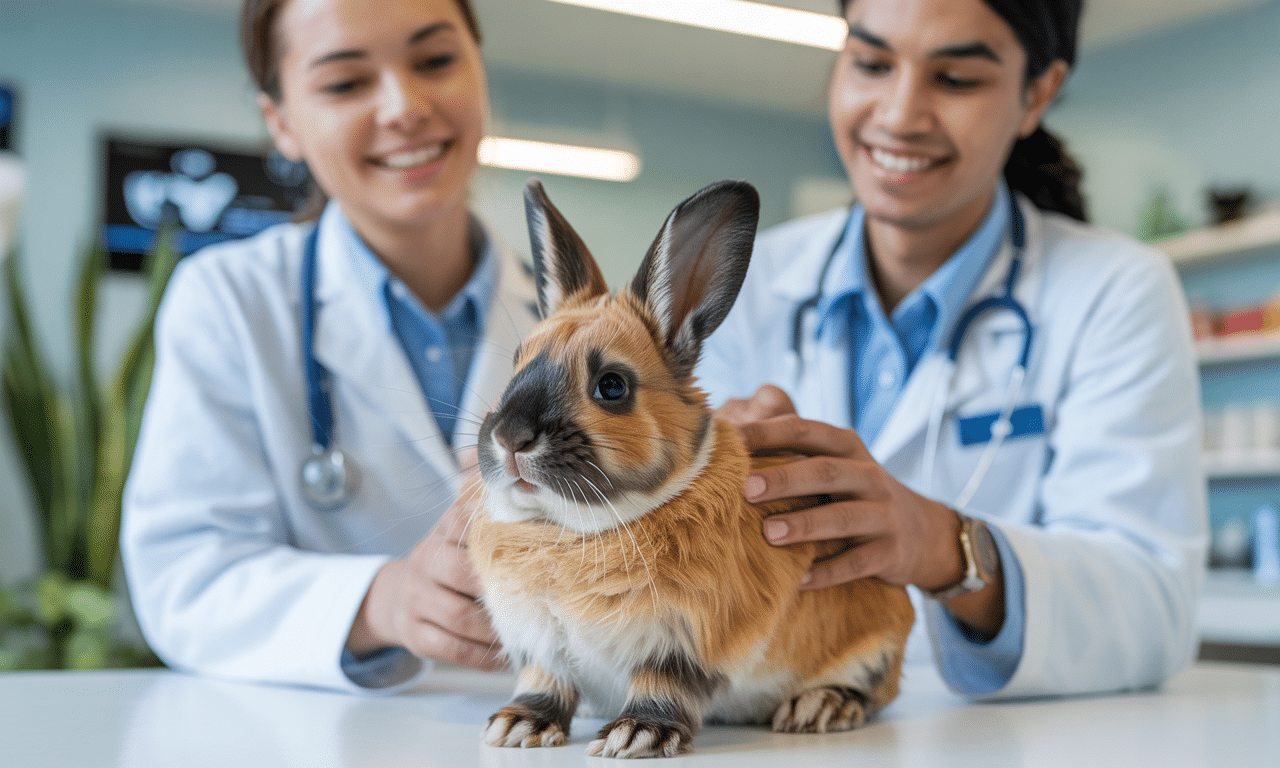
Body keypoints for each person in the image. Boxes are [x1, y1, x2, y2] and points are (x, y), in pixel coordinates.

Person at [699, 0, 1208, 699]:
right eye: (872, 63)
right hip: (776, 713)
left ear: (1038, 92)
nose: (901, 114)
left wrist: (942, 547)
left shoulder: (1115, 290)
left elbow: (1154, 609)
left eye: (957, 79)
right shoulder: (751, 280)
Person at [122, 0, 540, 693]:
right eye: (346, 83)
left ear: (479, 68)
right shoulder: (229, 300)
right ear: (281, 123)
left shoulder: (576, 321)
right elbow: (185, 581)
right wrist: (384, 601)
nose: (405, 106)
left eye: (436, 61)